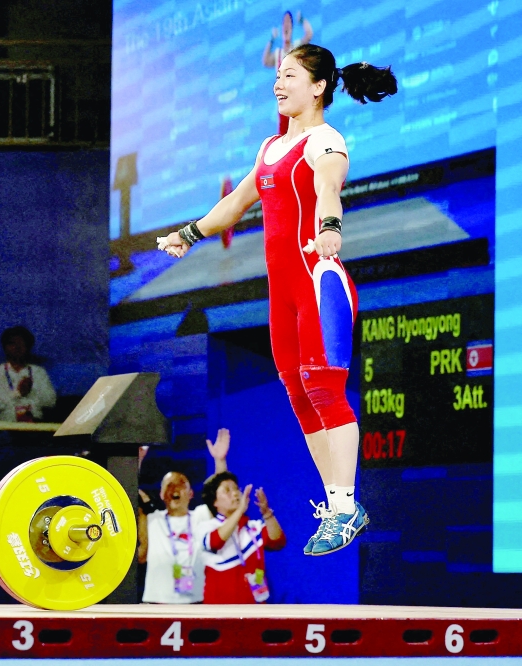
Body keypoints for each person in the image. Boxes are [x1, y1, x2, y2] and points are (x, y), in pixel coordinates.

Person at [158, 45, 397, 555]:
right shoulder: (270, 148)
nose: (278, 83)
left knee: (326, 391)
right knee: (298, 394)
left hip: (317, 282)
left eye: (289, 75)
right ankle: (338, 505)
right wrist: (189, 232)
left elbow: (329, 188)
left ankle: (344, 506)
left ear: (318, 87)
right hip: (281, 295)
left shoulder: (325, 140)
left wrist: (330, 229)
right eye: (277, 75)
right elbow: (236, 203)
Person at [137, 429, 230, 603]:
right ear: (162, 494)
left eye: (181, 484)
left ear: (191, 494)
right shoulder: (152, 519)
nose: (174, 488)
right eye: (169, 485)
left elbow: (220, 494)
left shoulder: (201, 516)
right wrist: (138, 461)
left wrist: (220, 460)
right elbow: (125, 491)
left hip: (195, 604)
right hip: (156, 605)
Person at [197, 473, 285, 604]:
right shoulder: (206, 527)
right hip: (220, 610)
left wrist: (267, 514)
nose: (235, 493)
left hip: (255, 608)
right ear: (214, 501)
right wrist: (240, 511)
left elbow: (278, 542)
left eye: (236, 489)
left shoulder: (253, 527)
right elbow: (215, 541)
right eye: (227, 490)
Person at [0, 326, 57, 422]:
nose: (17, 347)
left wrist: (31, 393)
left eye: (22, 343)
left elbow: (51, 401)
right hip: (7, 425)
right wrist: (17, 393)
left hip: (34, 425)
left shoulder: (38, 372)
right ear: (5, 347)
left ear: (28, 346)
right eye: (12, 343)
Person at [262, 11, 314, 135]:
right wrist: (271, 40)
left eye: (288, 22)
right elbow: (265, 61)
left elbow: (309, 34)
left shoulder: (297, 47)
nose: (286, 25)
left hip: (297, 99)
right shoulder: (278, 53)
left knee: (300, 134)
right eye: (284, 22)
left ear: (292, 27)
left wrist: (302, 20)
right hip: (284, 103)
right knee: (284, 137)